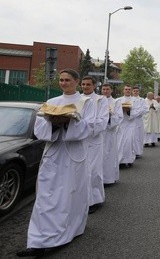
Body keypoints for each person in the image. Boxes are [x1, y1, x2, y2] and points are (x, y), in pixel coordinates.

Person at [17, 69, 96, 257]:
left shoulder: (87, 103)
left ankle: (67, 232)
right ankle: (38, 240)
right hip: (53, 153)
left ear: (76, 81)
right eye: (61, 80)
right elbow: (39, 129)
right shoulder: (51, 103)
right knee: (46, 196)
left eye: (68, 80)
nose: (64, 83)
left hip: (73, 154)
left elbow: (91, 126)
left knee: (69, 194)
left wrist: (68, 122)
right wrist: (53, 123)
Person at [81, 76, 109, 214]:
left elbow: (103, 120)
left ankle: (95, 199)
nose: (85, 87)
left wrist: (86, 129)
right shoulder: (78, 99)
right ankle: (81, 199)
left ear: (94, 86)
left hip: (94, 139)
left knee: (93, 171)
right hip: (78, 141)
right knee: (80, 172)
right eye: (83, 84)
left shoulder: (101, 100)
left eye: (88, 84)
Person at [101, 83, 123, 185]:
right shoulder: (97, 100)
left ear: (111, 90)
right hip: (98, 133)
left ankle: (108, 178)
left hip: (109, 132)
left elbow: (119, 117)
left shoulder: (116, 102)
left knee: (109, 155)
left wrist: (109, 116)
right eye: (104, 89)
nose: (105, 91)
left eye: (107, 89)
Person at [116, 85, 140, 168]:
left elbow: (137, 111)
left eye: (129, 89)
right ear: (123, 90)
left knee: (129, 142)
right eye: (126, 89)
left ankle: (129, 160)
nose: (127, 91)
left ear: (131, 91)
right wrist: (121, 111)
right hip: (121, 124)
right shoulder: (118, 100)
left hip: (130, 124)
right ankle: (120, 160)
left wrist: (129, 111)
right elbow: (114, 111)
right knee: (120, 143)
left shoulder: (135, 101)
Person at [132, 86, 147, 157]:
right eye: (134, 91)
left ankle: (138, 151)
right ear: (132, 91)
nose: (135, 92)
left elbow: (145, 109)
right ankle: (132, 151)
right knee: (132, 137)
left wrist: (137, 112)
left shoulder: (142, 100)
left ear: (139, 92)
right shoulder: (130, 99)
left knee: (139, 136)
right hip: (131, 120)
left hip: (139, 120)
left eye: (137, 91)